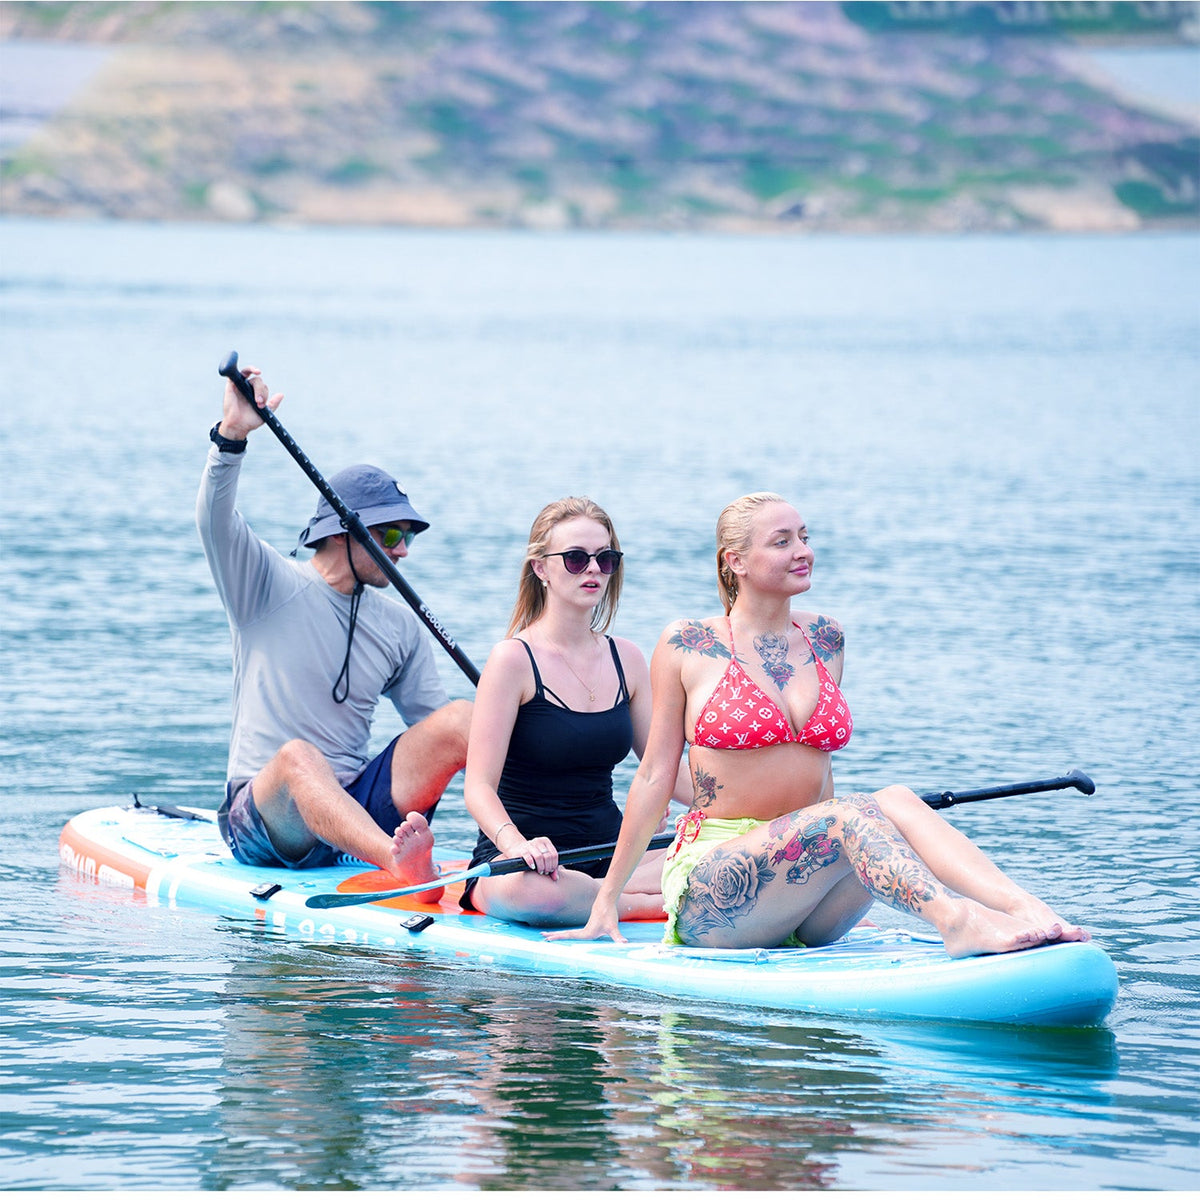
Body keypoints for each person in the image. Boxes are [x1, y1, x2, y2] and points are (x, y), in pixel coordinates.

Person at [550, 492, 1089, 958]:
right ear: (734, 560)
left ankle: (1029, 911)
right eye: (781, 541)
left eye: (804, 537)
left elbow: (819, 774)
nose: (803, 551)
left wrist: (856, 867)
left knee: (895, 800)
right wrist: (605, 903)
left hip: (804, 892)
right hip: (717, 888)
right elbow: (652, 777)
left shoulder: (826, 638)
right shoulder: (688, 643)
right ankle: (958, 923)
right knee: (849, 815)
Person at [197, 363, 471, 902]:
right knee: (301, 756)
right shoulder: (265, 585)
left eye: (408, 534)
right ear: (343, 531)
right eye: (391, 532)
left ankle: (522, 844)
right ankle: (398, 861)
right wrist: (230, 437)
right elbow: (214, 523)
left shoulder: (399, 627)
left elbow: (438, 732)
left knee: (465, 719)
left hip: (351, 816)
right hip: (267, 818)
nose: (403, 550)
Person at [461, 497, 690, 926]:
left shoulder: (629, 658)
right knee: (533, 894)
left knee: (713, 848)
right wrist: (516, 846)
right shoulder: (511, 660)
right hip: (526, 863)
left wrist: (737, 804)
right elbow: (478, 788)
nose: (592, 570)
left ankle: (610, 894)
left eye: (605, 559)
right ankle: (643, 904)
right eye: (575, 558)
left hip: (611, 853)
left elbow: (665, 770)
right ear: (540, 568)